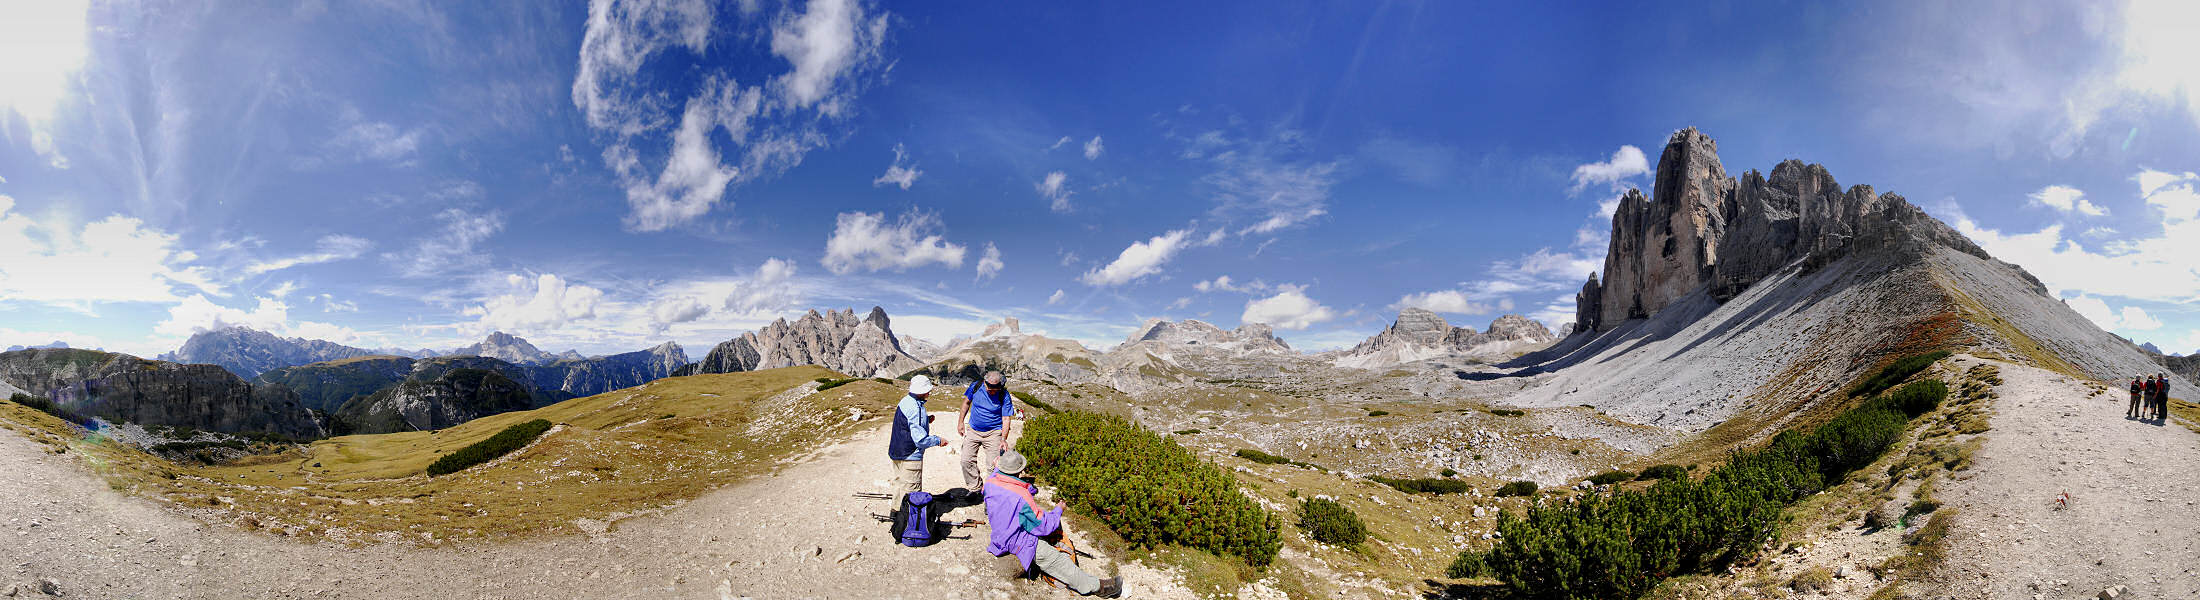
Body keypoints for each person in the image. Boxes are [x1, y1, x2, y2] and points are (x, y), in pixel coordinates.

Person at [983, 450, 1125, 598]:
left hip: (999, 533)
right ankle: (1098, 587)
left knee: (1040, 520)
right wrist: (1058, 510)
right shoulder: (1021, 495)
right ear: (1019, 471)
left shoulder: (990, 482)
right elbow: (1043, 527)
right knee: (1057, 560)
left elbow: (999, 478)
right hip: (1017, 540)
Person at [887, 375, 950, 506]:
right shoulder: (916, 408)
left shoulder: (905, 401)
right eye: (928, 390)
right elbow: (920, 440)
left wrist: (926, 419)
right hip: (910, 455)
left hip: (896, 451)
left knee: (899, 485)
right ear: (923, 392)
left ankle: (896, 514)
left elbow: (908, 422)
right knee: (912, 492)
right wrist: (938, 440)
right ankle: (908, 523)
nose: (929, 392)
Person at [957, 370, 1018, 498]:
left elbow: (1006, 418)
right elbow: (966, 403)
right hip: (973, 430)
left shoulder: (1004, 395)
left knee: (993, 465)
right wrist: (961, 422)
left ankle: (991, 495)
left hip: (994, 432)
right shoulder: (976, 386)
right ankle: (975, 488)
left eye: (996, 389)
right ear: (985, 383)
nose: (993, 391)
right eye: (990, 388)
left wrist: (1003, 439)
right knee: (966, 460)